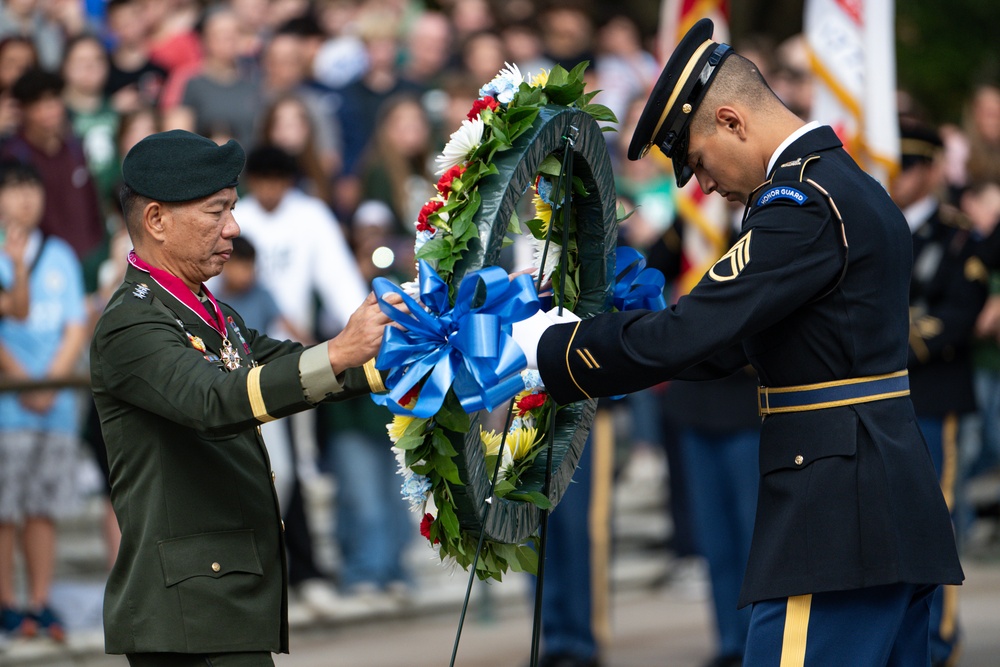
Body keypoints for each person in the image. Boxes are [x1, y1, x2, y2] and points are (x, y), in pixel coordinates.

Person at [511, 19, 963, 665]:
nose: (699, 186)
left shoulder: (802, 205)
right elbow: (726, 346)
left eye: (695, 160)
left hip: (836, 517)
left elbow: (692, 330)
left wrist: (550, 349)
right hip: (874, 505)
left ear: (730, 120)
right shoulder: (840, 187)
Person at [89, 129, 395, 664]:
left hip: (218, 603)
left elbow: (289, 365)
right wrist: (341, 352)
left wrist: (399, 358)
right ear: (156, 220)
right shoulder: (131, 321)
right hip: (187, 613)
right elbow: (214, 400)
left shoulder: (206, 309)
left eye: (231, 208)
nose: (234, 227)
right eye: (217, 211)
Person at [890, 118, 988, 667]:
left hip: (931, 393)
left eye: (906, 166)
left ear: (930, 170)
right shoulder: (872, 225)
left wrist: (883, 343)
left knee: (935, 518)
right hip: (885, 396)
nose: (895, 179)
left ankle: (940, 638)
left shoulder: (955, 235)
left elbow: (956, 316)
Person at [0, 160, 88, 643]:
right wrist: (22, 382)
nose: (24, 198)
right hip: (7, 407)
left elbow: (76, 324)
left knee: (42, 508)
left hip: (55, 407)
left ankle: (37, 602)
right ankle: (6, 604)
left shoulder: (60, 255)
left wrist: (51, 383)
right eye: (12, 189)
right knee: (4, 509)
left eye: (30, 188)